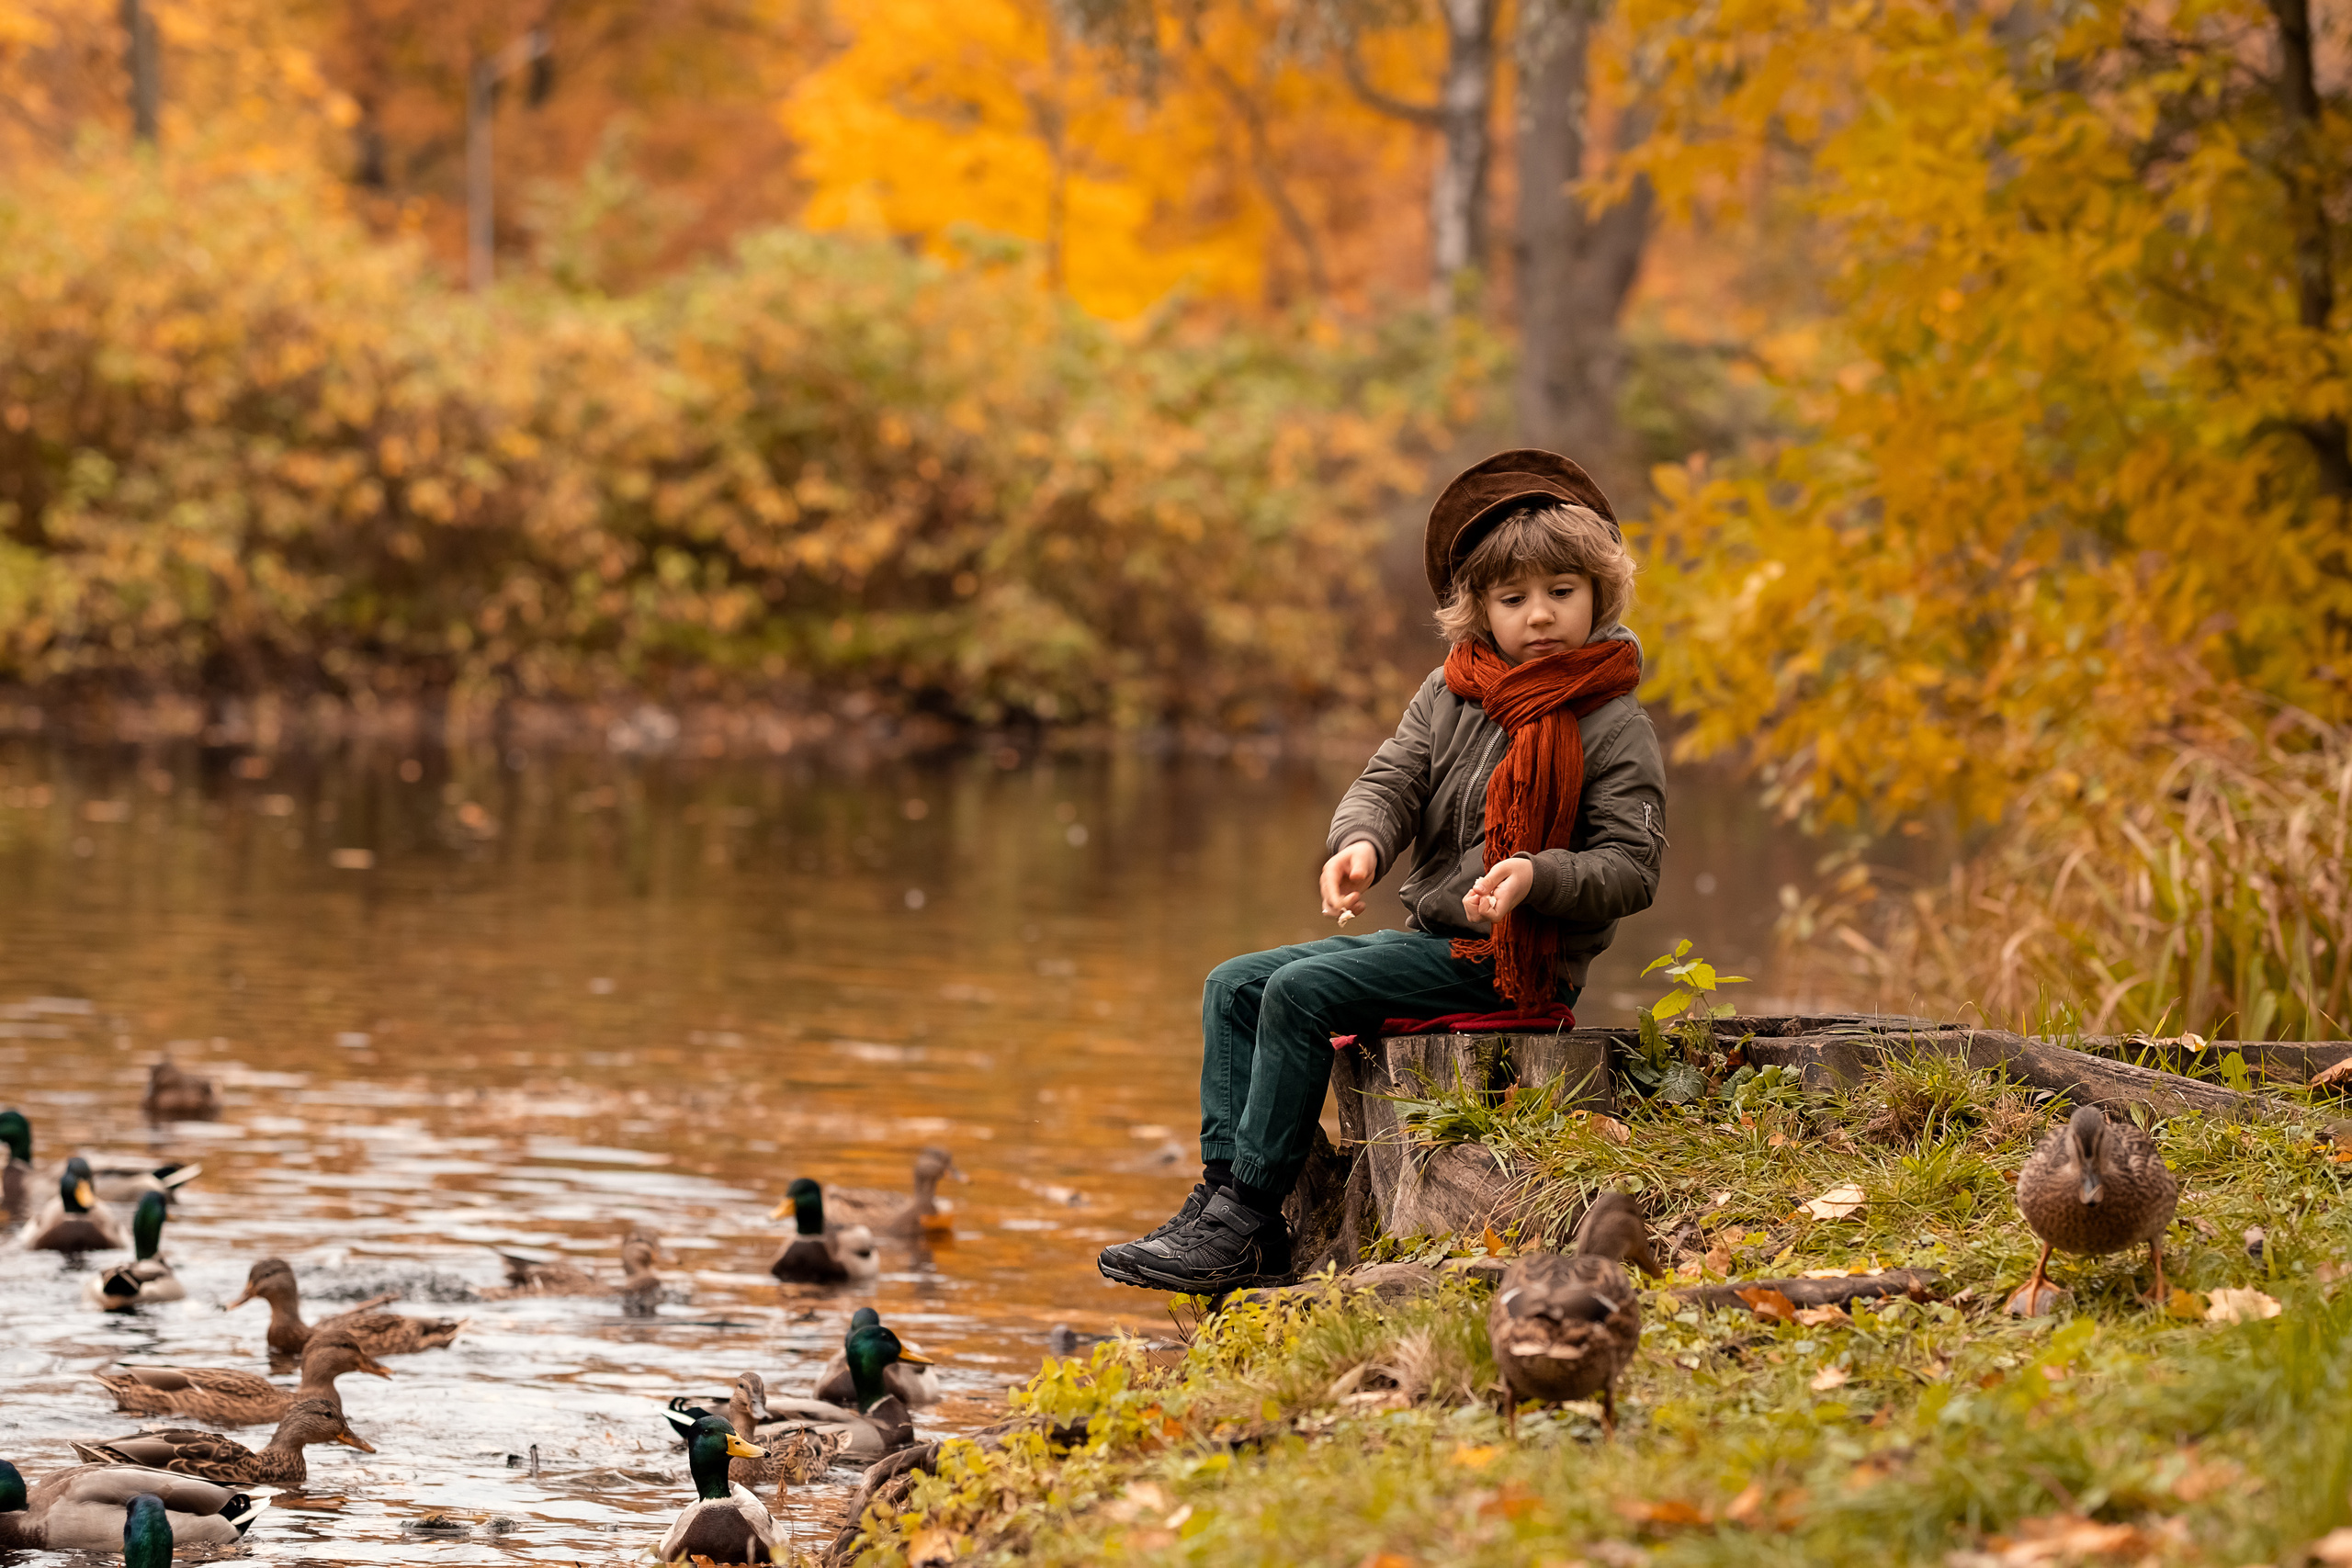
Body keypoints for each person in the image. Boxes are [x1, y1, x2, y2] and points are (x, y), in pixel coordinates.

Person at [1097, 450, 1668, 1293]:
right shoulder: (1452, 692)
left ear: (1600, 592)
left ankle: (1249, 1215)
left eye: (1561, 592)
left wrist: (1535, 876)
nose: (1540, 616)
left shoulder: (1613, 723)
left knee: (1299, 995)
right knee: (1233, 984)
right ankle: (1225, 1202)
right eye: (1514, 599)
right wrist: (1359, 842)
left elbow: (1632, 863)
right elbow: (1392, 778)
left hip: (1511, 967)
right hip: (1436, 939)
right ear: (1479, 611)